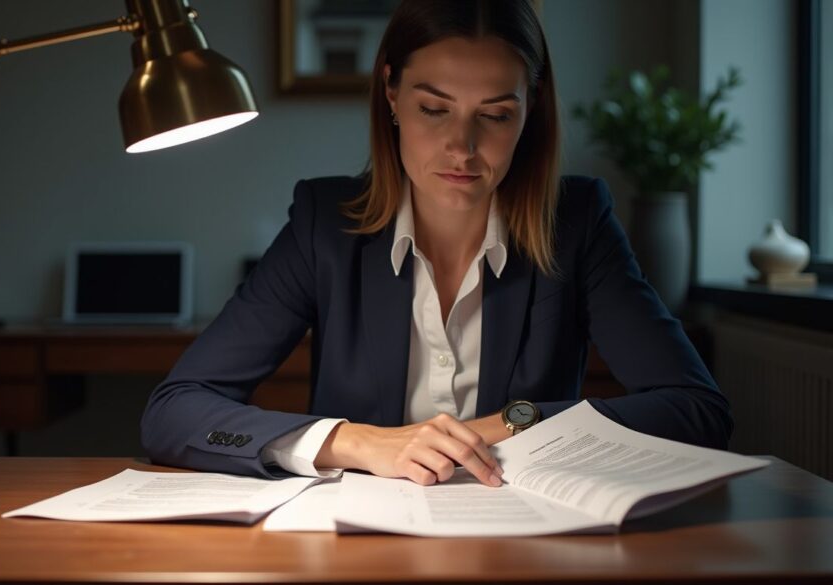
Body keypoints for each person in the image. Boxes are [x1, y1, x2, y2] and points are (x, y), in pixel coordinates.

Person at [140, 0, 732, 487]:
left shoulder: (577, 222)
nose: (462, 147)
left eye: (495, 115)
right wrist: (357, 442)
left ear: (532, 108)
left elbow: (695, 409)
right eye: (434, 109)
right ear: (391, 93)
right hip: (355, 547)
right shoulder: (325, 223)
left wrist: (514, 422)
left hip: (522, 545)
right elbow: (176, 411)